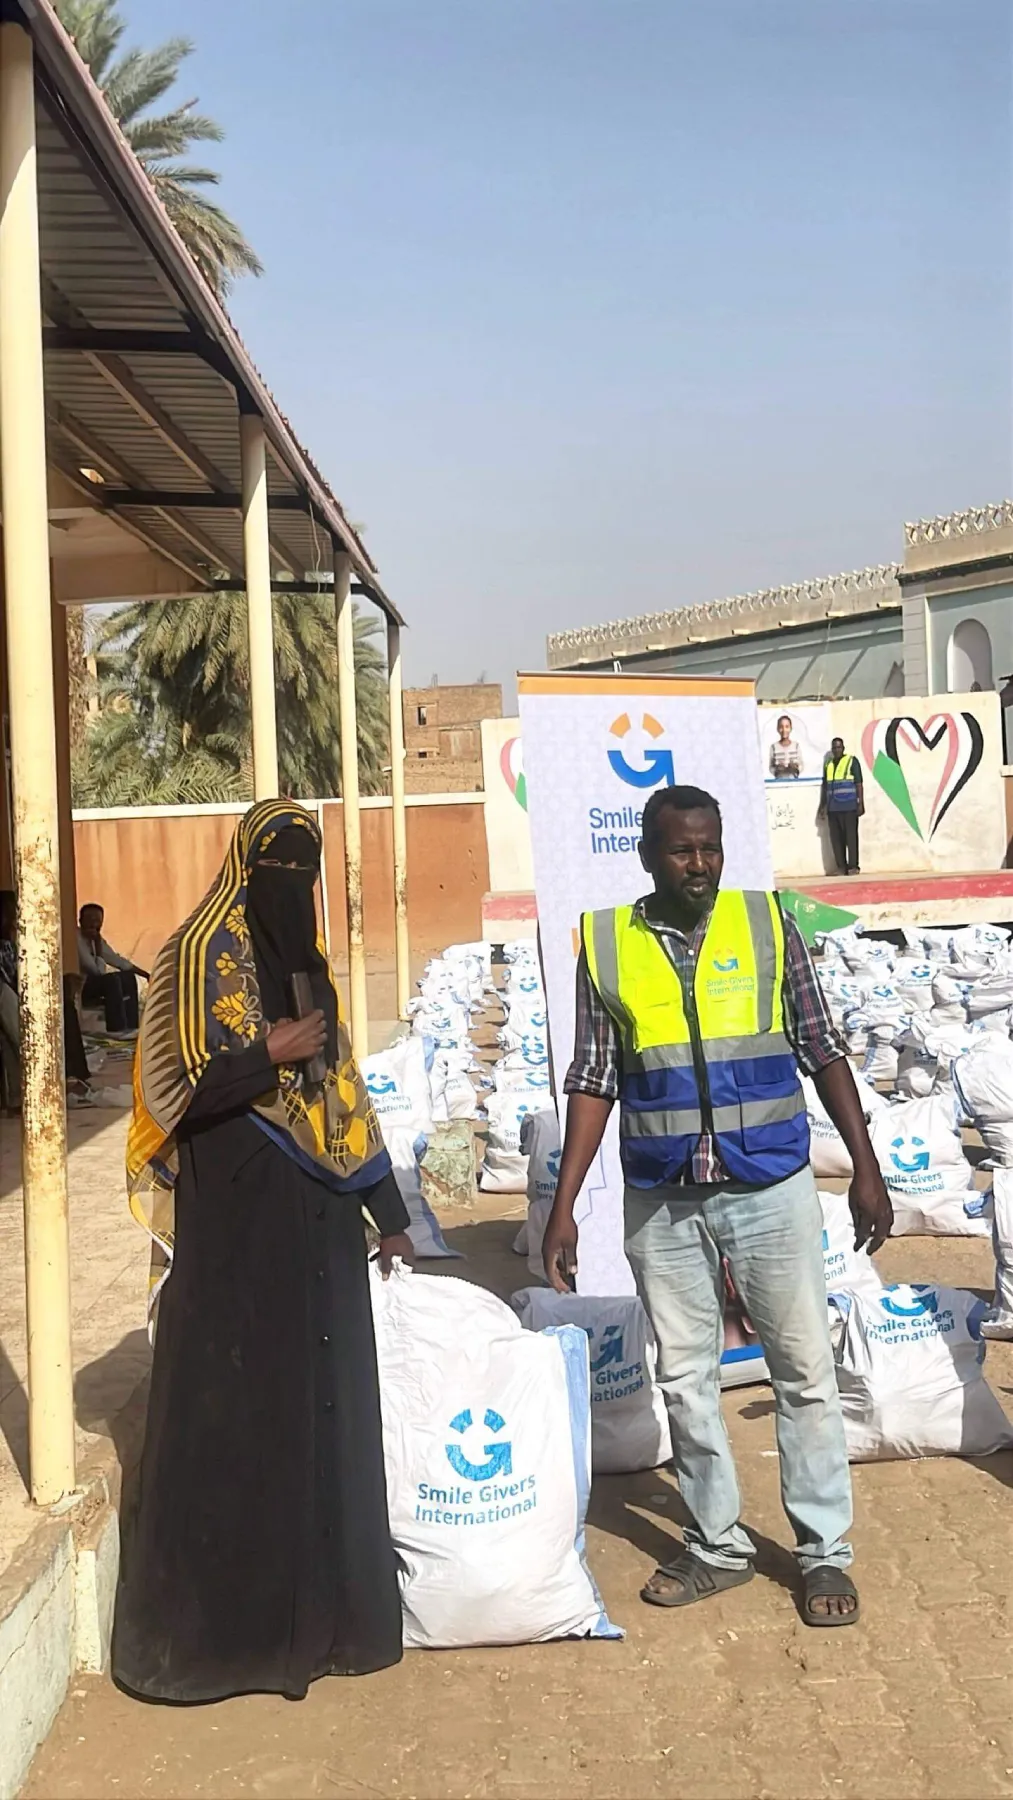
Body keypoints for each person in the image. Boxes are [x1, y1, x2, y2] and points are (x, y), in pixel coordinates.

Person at [541, 784, 892, 1628]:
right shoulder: (604, 943)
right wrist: (562, 1207)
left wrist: (867, 1167)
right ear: (647, 856)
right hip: (663, 1197)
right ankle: (717, 1542)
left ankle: (822, 1553)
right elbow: (593, 1078)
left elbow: (822, 1046)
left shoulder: (768, 925)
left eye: (709, 848)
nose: (697, 865)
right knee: (685, 1378)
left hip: (769, 1184)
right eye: (680, 851)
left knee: (803, 1371)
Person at [112, 800, 414, 1704]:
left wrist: (388, 1211)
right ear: (246, 865)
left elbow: (344, 1093)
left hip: (319, 1236)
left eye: (306, 868)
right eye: (279, 866)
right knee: (239, 1427)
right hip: (236, 1238)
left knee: (322, 1424)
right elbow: (171, 1083)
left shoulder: (306, 962)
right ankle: (220, 1649)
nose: (294, 885)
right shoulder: (192, 952)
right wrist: (264, 1052)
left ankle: (331, 1632)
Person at [0, 888, 94, 1110]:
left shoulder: (10, 943)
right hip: (8, 996)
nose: (14, 919)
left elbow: (21, 974)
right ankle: (48, 1076)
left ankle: (73, 1073)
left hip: (17, 994)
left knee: (64, 1000)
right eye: (11, 914)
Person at [77, 903, 148, 1034]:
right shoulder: (77, 939)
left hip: (97, 983)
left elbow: (117, 961)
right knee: (112, 980)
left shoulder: (96, 939)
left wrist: (147, 975)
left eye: (98, 920)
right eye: (90, 920)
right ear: (81, 921)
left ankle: (132, 1028)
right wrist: (98, 951)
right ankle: (117, 1029)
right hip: (82, 987)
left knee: (128, 977)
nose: (94, 924)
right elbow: (95, 971)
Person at [818, 738, 863, 875]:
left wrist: (860, 803)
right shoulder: (829, 764)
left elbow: (859, 783)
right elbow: (825, 786)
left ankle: (853, 867)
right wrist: (823, 805)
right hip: (833, 807)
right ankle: (841, 867)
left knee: (851, 838)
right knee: (836, 840)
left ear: (843, 748)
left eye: (839, 747)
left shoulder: (851, 761)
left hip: (849, 806)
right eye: (834, 748)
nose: (836, 750)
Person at [768, 714, 802, 779]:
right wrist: (777, 769)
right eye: (781, 727)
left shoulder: (796, 746)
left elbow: (801, 765)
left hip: (794, 781)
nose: (784, 730)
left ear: (790, 728)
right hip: (779, 781)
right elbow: (771, 767)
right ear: (778, 729)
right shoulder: (774, 747)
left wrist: (795, 767)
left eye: (787, 727)